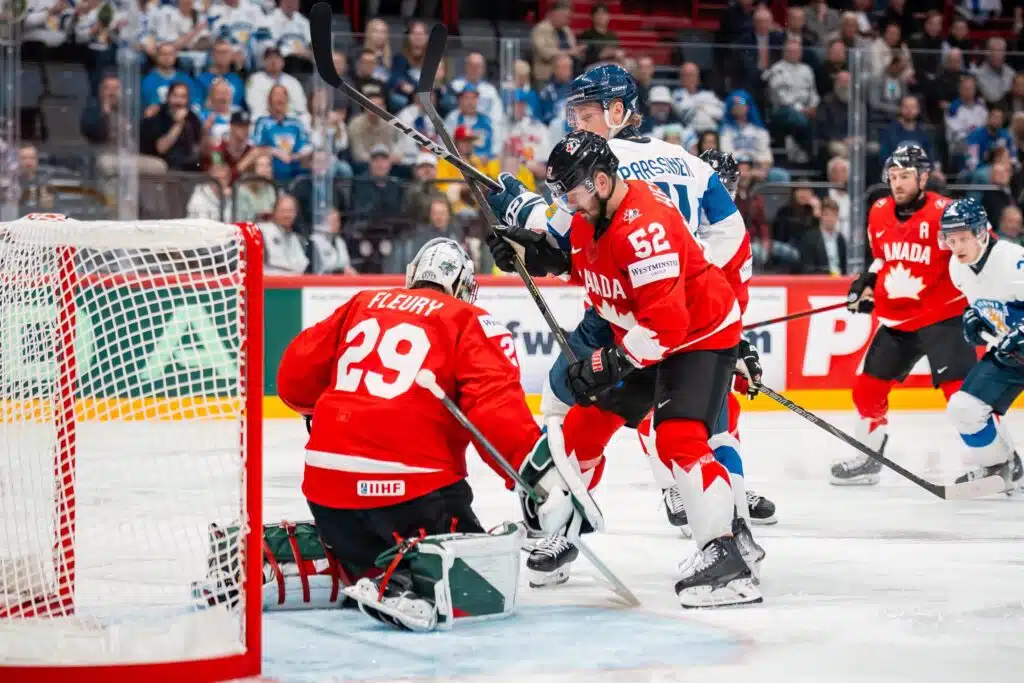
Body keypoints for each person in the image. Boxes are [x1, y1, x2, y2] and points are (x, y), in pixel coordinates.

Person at [484, 63, 771, 587]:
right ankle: (566, 529)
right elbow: (571, 249)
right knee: (579, 429)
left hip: (690, 333)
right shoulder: (605, 197)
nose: (580, 124)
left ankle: (725, 553)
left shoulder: (637, 216)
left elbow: (665, 320)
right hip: (645, 326)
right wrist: (527, 251)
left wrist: (610, 362)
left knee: (678, 438)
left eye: (588, 114)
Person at [275, 238, 595, 630]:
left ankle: (308, 559)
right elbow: (496, 417)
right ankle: (410, 579)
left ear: (412, 275)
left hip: (326, 494)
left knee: (357, 541)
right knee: (484, 566)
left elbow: (292, 381)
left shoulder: (362, 304)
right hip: (409, 500)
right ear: (462, 286)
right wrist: (542, 484)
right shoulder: (469, 318)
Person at [838, 144, 975, 485]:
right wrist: (866, 282)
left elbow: (978, 250)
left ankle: (1001, 461)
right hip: (898, 321)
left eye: (905, 177)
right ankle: (869, 456)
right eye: (893, 177)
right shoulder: (879, 210)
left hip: (943, 317)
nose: (897, 184)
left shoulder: (946, 212)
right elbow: (881, 258)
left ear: (924, 177)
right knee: (866, 393)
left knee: (962, 398)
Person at [940, 198, 1023, 492]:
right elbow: (985, 302)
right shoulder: (957, 268)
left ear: (981, 233)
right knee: (963, 409)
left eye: (963, 238)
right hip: (1009, 356)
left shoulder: (1013, 260)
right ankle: (1003, 466)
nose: (957, 246)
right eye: (950, 239)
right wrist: (974, 317)